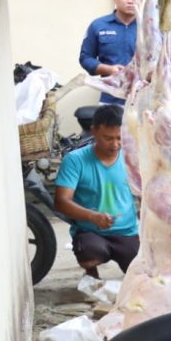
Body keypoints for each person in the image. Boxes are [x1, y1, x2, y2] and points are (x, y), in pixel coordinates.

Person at [53, 104, 139, 278]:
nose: (115, 144)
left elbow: (147, 193)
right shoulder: (75, 160)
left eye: (120, 138)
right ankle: (91, 273)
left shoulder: (132, 157)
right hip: (90, 231)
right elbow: (61, 202)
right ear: (94, 131)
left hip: (127, 231)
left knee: (138, 272)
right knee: (90, 251)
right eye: (108, 138)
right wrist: (93, 217)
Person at [79, 0, 138, 105]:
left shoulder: (150, 27)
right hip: (111, 100)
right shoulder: (98, 25)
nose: (131, 0)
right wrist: (109, 69)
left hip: (144, 100)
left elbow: (163, 61)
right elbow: (85, 58)